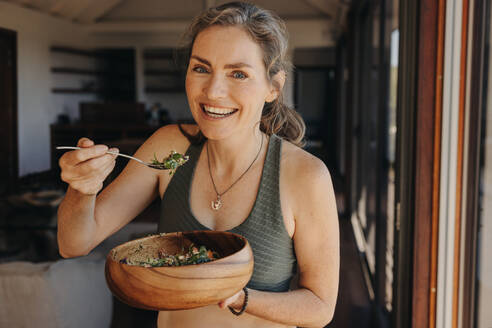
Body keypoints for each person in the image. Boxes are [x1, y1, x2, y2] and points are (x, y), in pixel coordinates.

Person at [57, 2, 339, 327]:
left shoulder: (305, 175)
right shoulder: (168, 148)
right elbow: (73, 243)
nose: (213, 91)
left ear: (273, 87)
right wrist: (83, 187)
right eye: (201, 68)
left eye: (238, 74)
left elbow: (320, 307)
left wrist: (239, 297)